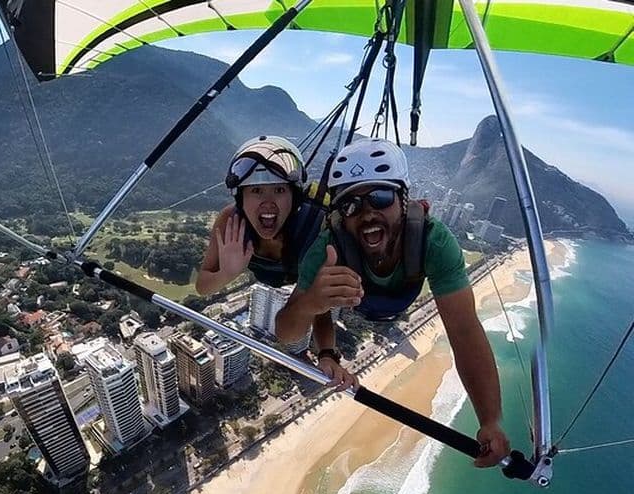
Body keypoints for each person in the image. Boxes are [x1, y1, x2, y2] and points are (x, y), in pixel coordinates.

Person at [275, 138, 510, 468]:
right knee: (326, 293)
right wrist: (313, 307)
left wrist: (489, 419)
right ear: (341, 216)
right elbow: (286, 331)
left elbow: (465, 332)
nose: (368, 213)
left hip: (399, 296)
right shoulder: (329, 248)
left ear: (403, 200)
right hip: (359, 301)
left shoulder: (434, 241)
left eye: (380, 197)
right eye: (352, 206)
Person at [196, 135, 311, 295]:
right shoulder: (232, 222)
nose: (268, 202)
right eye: (256, 190)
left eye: (279, 190)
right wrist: (226, 274)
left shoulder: (314, 223)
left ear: (294, 197)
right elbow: (203, 286)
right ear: (241, 199)